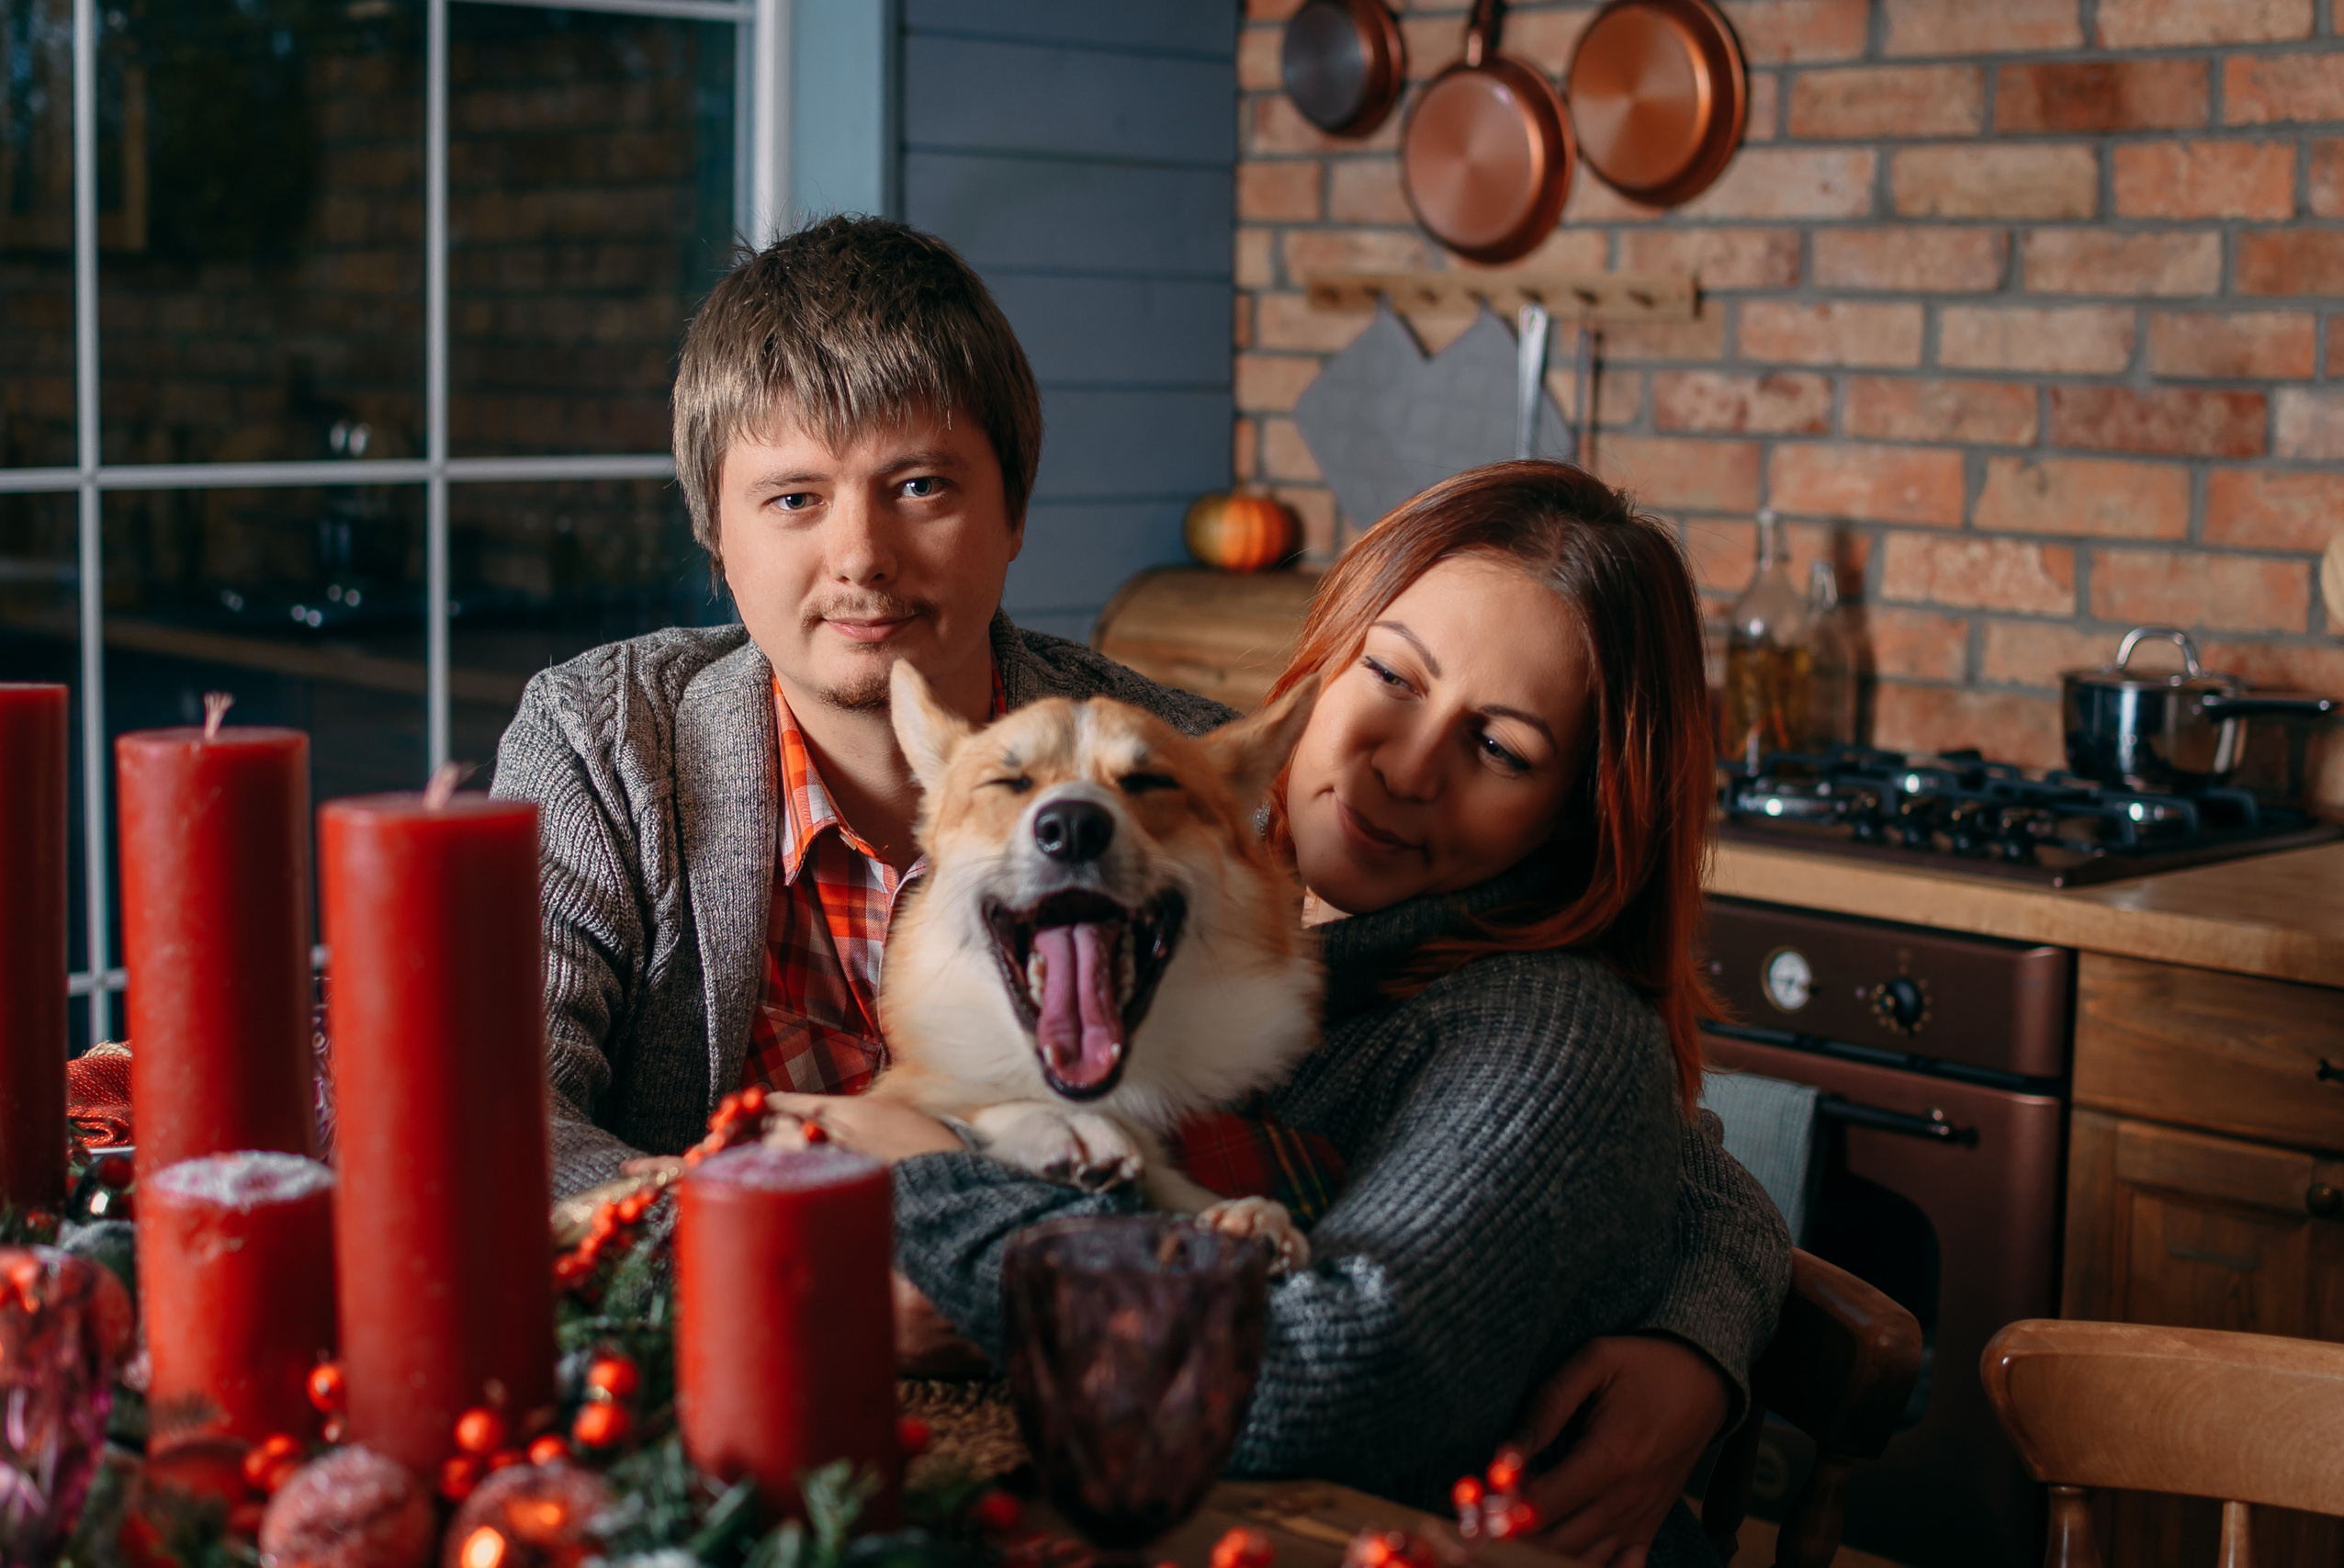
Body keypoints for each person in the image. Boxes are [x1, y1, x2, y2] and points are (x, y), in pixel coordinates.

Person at [489, 216, 1786, 1566]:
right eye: (794, 497)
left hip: (1118, 1486)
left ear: (1013, 514)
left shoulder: (1170, 774)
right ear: (715, 529)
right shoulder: (610, 741)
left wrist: (1703, 1320)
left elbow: (1594, 1099)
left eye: (923, 485)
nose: (861, 555)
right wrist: (774, 1266)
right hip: (728, 1461)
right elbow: (492, 1115)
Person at [777, 461, 1776, 1565]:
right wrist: (1715, 1304)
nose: (1400, 767)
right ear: (1323, 657)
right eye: (1391, 676)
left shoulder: (1547, 1028)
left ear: (1581, 818)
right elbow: (1686, 1169)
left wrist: (926, 1181)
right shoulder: (1216, 798)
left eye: (1499, 748)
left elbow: (1327, 1383)